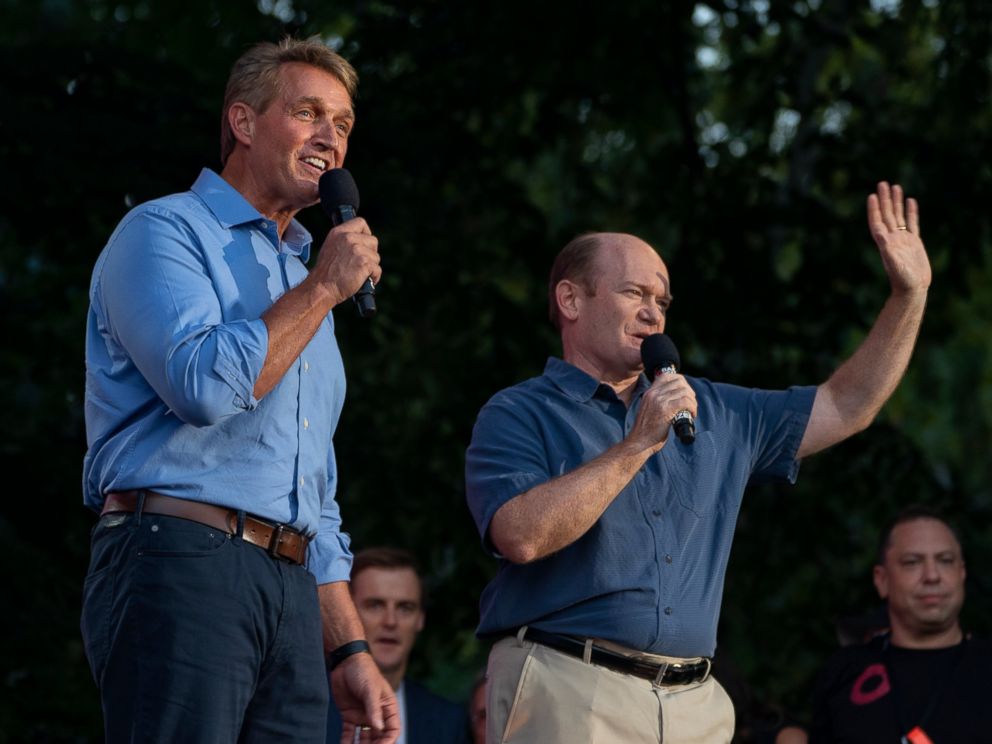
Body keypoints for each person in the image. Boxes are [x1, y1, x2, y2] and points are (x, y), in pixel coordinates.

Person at [464, 182, 931, 743]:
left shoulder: (712, 409)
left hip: (695, 704)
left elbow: (846, 404)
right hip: (570, 685)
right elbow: (521, 535)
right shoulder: (519, 411)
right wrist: (637, 444)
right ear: (571, 301)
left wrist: (909, 296)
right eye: (634, 293)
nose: (652, 314)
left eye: (661, 302)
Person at [80, 37, 398, 744]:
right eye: (308, 112)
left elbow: (311, 489)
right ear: (245, 123)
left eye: (343, 124)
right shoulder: (164, 232)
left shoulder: (304, 274)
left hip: (290, 591)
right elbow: (202, 388)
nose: (330, 137)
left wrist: (346, 647)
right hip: (180, 557)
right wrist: (323, 289)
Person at [808, 506, 992, 743]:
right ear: (882, 580)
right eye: (912, 562)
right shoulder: (843, 671)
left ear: (962, 574)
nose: (932, 575)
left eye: (945, 561)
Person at [326, 547, 468, 743]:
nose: (391, 621)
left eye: (405, 608)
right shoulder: (304, 704)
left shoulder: (448, 720)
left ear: (420, 619)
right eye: (375, 605)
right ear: (346, 613)